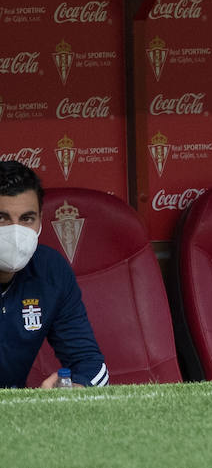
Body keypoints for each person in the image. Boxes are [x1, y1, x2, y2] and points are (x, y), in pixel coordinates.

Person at [0, 161, 108, 388]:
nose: (15, 232)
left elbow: (89, 362)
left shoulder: (50, 270)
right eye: (2, 218)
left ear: (40, 220)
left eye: (27, 219)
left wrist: (73, 387)